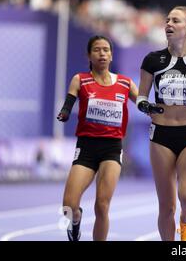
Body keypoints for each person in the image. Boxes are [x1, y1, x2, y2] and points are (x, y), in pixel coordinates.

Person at [137, 6, 186, 241]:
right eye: (167, 20)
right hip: (161, 135)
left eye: (176, 20)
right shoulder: (153, 60)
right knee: (167, 207)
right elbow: (141, 97)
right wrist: (146, 106)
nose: (168, 24)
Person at [57, 35, 138, 241]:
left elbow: (143, 102)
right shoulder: (80, 79)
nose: (102, 54)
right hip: (86, 148)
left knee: (102, 205)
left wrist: (154, 108)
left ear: (111, 55)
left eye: (106, 50)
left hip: (111, 148)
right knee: (68, 205)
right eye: (97, 50)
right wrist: (65, 112)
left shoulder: (125, 83)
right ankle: (76, 221)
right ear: (89, 55)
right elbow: (69, 102)